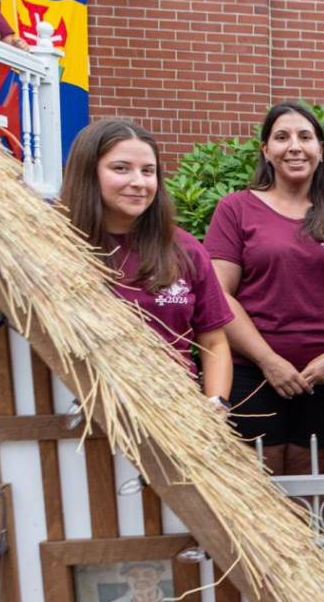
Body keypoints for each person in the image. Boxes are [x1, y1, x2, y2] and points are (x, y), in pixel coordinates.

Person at [204, 103, 324, 476]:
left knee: (306, 483)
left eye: (305, 137)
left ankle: (304, 539)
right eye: (282, 137)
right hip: (253, 371)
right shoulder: (236, 210)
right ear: (265, 150)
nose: (294, 146)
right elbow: (220, 294)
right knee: (260, 486)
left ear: (321, 149)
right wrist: (268, 361)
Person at [58, 119, 233, 402]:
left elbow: (214, 341)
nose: (138, 182)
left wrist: (217, 403)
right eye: (121, 168)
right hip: (85, 412)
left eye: (148, 171)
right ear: (88, 172)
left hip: (174, 411)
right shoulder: (58, 245)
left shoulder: (184, 249)